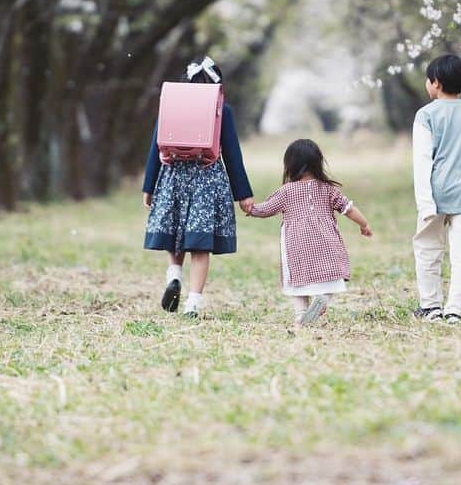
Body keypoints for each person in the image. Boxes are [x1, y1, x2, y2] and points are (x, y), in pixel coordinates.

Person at [143, 56, 255, 317]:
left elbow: (155, 146)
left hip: (172, 176)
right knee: (200, 243)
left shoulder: (171, 106)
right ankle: (193, 303)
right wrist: (243, 194)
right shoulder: (222, 109)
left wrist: (149, 186)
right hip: (207, 179)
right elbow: (232, 154)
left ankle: (174, 275)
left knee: (175, 230)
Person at [245, 139, 372, 326]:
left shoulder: (286, 191)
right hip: (326, 242)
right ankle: (323, 300)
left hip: (296, 245)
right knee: (330, 276)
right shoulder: (328, 189)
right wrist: (364, 224)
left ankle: (300, 314)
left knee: (297, 283)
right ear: (318, 163)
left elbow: (266, 209)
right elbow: (349, 209)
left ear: (290, 165)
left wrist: (250, 208)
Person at [412, 54, 461, 325]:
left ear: (436, 82)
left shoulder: (426, 115)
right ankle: (456, 310)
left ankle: (430, 306)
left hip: (437, 193)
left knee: (427, 249)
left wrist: (425, 203)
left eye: (428, 79)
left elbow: (422, 160)